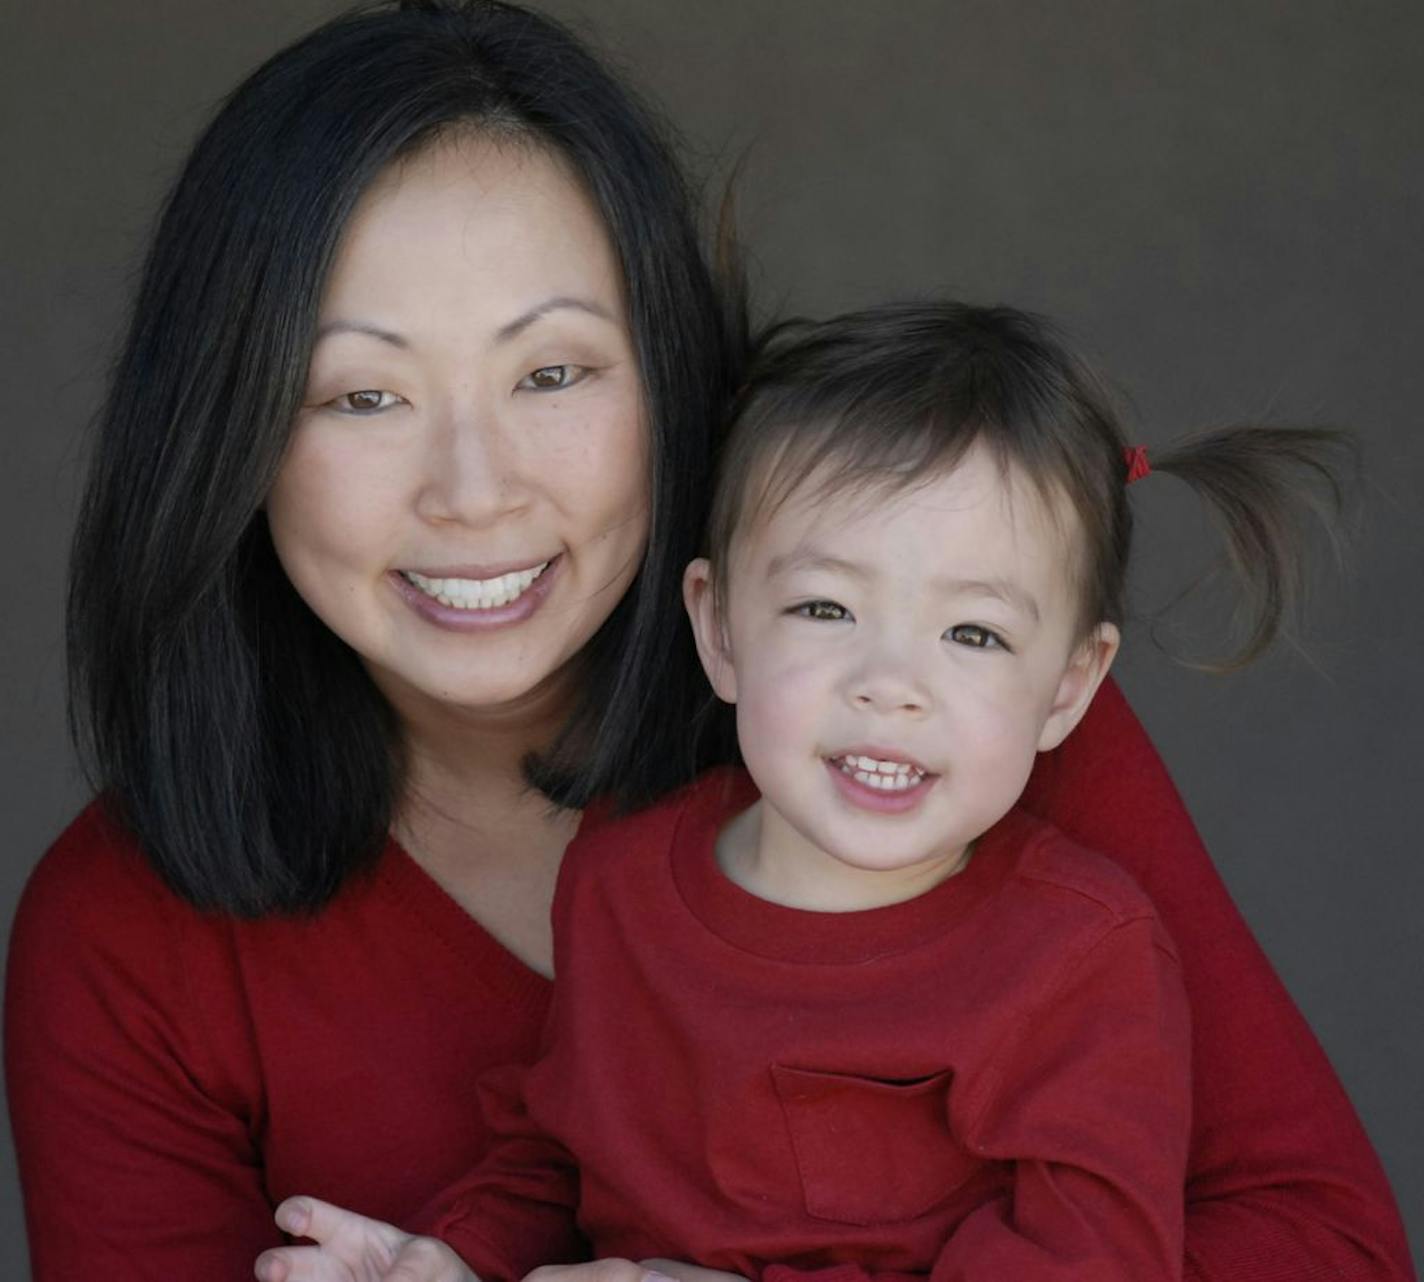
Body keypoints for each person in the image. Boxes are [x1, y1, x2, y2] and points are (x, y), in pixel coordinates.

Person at [2, 4, 1412, 1282]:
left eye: (553, 371)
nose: (476, 488)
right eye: (358, 396)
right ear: (225, 434)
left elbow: (1324, 1249)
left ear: (669, 374)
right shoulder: (125, 943)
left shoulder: (923, 712)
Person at [245, 302, 1354, 1282]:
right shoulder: (623, 870)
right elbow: (564, 1142)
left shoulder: (1076, 960)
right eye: (824, 610)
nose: (889, 686)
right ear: (718, 628)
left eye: (971, 633)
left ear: (1068, 689)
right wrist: (459, 1257)